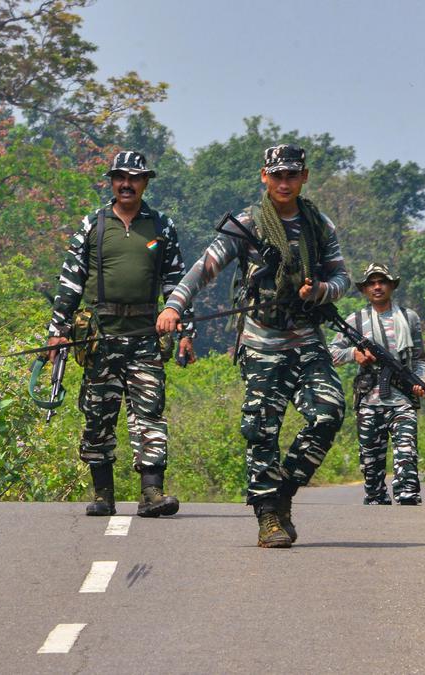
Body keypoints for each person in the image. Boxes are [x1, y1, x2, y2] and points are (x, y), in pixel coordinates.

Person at [158, 145, 350, 548]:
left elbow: (342, 280)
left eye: (292, 175)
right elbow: (203, 269)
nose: (284, 182)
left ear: (304, 177)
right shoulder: (248, 225)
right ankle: (268, 518)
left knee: (329, 413)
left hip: (307, 340)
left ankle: (282, 493)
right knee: (262, 431)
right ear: (264, 176)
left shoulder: (318, 224)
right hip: (262, 343)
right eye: (277, 175)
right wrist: (175, 305)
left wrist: (320, 291)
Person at [45, 151, 195, 518]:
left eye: (135, 178)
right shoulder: (92, 225)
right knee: (98, 414)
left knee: (150, 414)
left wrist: (186, 329)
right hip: (101, 337)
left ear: (145, 182)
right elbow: (70, 283)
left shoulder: (161, 227)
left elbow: (176, 282)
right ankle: (103, 495)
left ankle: (152, 494)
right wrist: (57, 332)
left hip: (146, 336)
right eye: (120, 178)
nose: (126, 184)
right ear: (111, 181)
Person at [329, 263, 425, 505]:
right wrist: (354, 353)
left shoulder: (409, 318)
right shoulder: (356, 320)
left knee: (406, 453)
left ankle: (408, 499)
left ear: (391, 286)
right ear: (364, 289)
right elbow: (331, 352)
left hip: (402, 400)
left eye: (382, 281)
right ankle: (376, 505)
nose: (377, 287)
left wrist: (421, 382)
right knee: (371, 465)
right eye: (372, 283)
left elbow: (419, 359)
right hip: (369, 401)